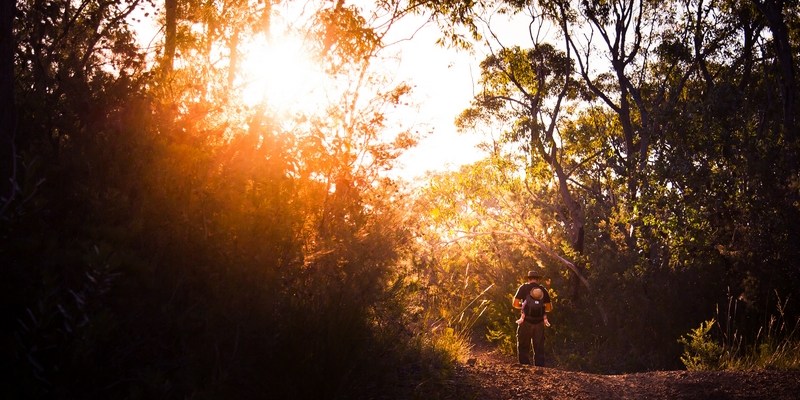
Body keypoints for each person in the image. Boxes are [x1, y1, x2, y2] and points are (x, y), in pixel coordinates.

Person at [513, 270, 552, 366]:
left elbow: (515, 303)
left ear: (528, 279)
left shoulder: (523, 288)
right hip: (539, 323)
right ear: (538, 279)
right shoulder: (543, 290)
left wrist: (524, 307)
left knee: (523, 347)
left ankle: (525, 368)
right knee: (539, 349)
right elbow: (549, 308)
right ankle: (540, 370)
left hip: (525, 321)